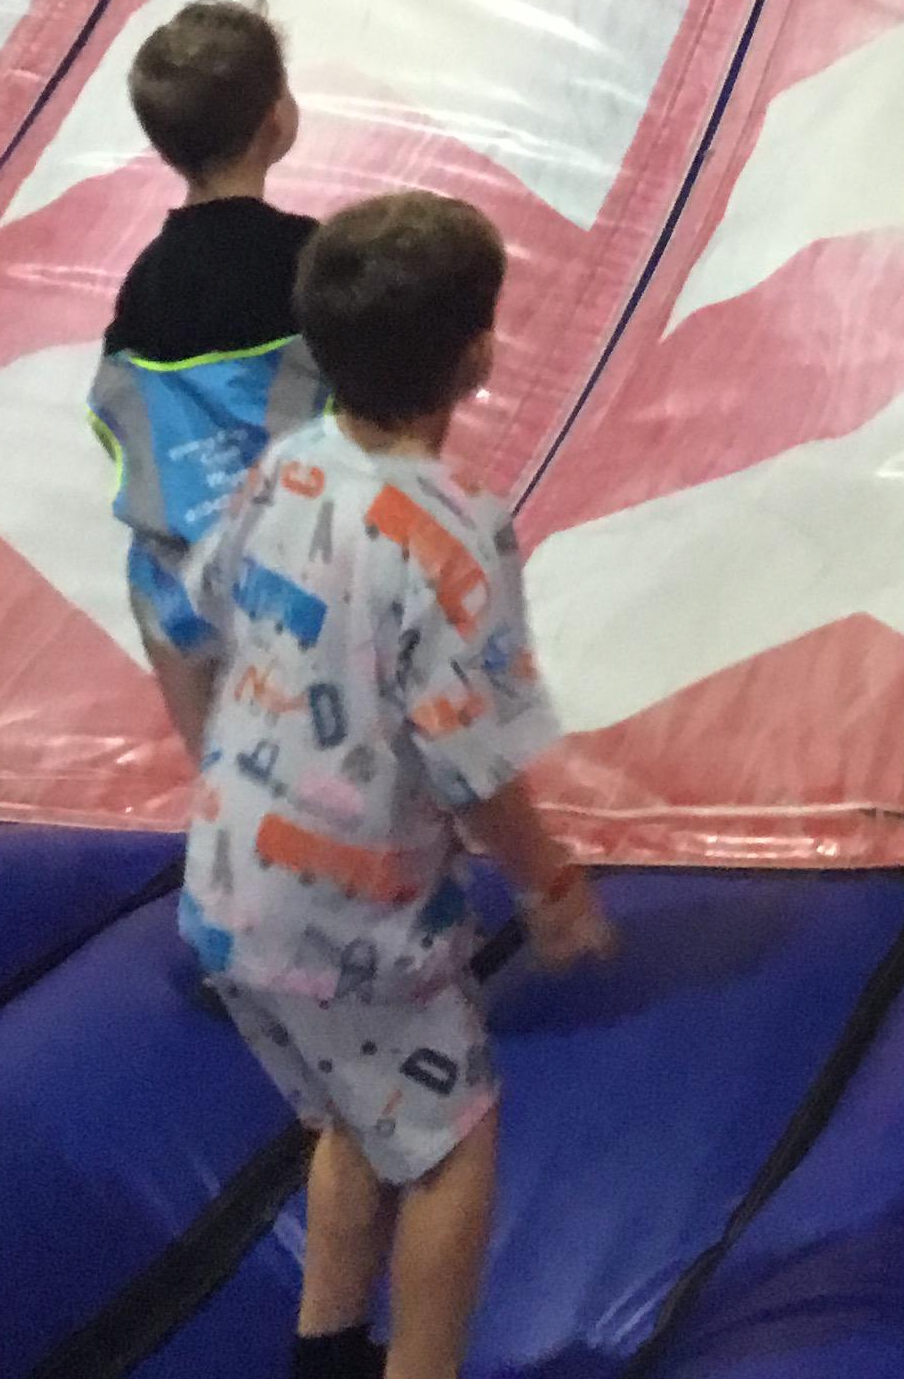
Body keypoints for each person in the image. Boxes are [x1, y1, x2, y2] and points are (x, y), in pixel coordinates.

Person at [178, 191, 613, 1379]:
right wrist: (552, 887)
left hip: (225, 885)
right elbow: (475, 764)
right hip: (349, 917)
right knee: (452, 1144)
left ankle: (325, 1353)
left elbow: (207, 609)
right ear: (478, 357)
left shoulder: (284, 467)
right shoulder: (456, 533)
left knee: (355, 1113)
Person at [88, 0, 324, 762]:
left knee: (221, 762)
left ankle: (218, 789)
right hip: (303, 569)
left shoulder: (144, 282)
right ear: (276, 119)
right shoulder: (312, 260)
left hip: (182, 582)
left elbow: (116, 419)